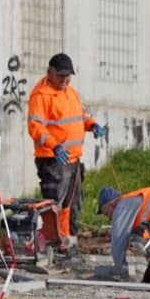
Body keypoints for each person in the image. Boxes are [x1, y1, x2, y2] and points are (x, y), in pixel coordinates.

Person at [27, 52, 105, 255]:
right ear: (49, 72)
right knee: (55, 205)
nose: (65, 79)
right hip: (53, 160)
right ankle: (54, 244)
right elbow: (35, 127)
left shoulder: (70, 92)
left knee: (72, 203)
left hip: (72, 160)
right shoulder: (41, 95)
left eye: (68, 75)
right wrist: (54, 145)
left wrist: (92, 124)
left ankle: (68, 243)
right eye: (61, 75)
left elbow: (78, 116)